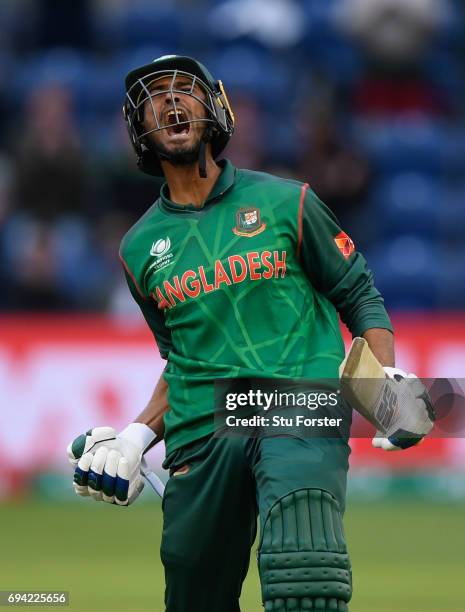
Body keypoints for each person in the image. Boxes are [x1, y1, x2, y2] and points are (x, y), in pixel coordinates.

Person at [67, 55, 431, 612]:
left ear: (213, 110)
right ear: (140, 130)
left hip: (297, 401)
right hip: (203, 428)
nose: (169, 101)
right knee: (194, 596)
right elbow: (184, 357)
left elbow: (359, 295)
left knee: (303, 578)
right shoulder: (139, 249)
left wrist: (383, 383)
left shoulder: (289, 201)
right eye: (154, 97)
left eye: (183, 91)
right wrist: (136, 436)